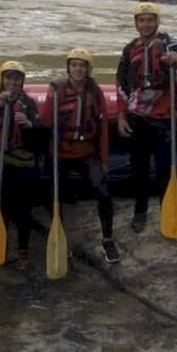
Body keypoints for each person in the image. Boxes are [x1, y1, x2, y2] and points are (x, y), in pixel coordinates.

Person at [116, 1, 177, 233]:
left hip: (164, 117)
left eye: (150, 20)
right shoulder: (130, 48)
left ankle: (167, 211)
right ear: (136, 23)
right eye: (142, 20)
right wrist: (121, 116)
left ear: (156, 22)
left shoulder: (172, 44)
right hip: (137, 117)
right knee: (138, 168)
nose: (146, 24)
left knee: (164, 167)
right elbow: (121, 85)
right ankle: (140, 211)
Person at [42, 48, 119, 264]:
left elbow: (103, 129)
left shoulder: (95, 92)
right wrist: (50, 96)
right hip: (61, 152)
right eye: (74, 65)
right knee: (52, 191)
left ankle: (107, 239)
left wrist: (103, 160)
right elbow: (47, 122)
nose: (77, 69)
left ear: (88, 69)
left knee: (103, 191)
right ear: (68, 68)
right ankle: (60, 233)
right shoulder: (57, 89)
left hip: (86, 152)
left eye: (82, 65)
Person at [0, 61, 44, 269]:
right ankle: (1, 246)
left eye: (16, 79)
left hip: (23, 166)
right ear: (2, 80)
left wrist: (29, 125)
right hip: (0, 163)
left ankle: (23, 250)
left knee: (24, 212)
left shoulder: (30, 104)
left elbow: (38, 141)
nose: (12, 83)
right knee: (1, 209)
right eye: (8, 78)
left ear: (22, 82)